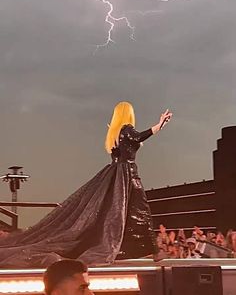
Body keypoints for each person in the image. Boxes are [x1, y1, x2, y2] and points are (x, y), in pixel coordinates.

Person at [0, 101, 172, 267]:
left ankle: (151, 251)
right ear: (128, 113)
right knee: (141, 211)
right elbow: (139, 136)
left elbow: (132, 143)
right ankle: (154, 251)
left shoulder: (115, 132)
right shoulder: (126, 129)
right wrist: (159, 125)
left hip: (116, 175)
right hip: (128, 176)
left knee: (122, 214)